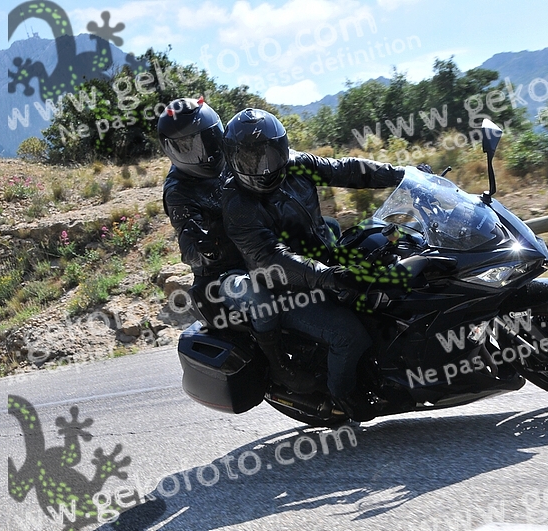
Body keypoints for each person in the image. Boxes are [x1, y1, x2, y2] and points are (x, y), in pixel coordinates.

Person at [221, 107, 406, 420]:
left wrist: (401, 175)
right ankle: (344, 395)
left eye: (269, 155)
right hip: (286, 290)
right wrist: (326, 277)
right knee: (349, 336)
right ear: (233, 159)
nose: (263, 167)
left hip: (324, 264)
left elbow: (346, 170)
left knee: (388, 271)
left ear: (282, 148)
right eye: (251, 159)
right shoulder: (237, 202)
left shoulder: (297, 164)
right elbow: (270, 257)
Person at [159, 98, 315, 393]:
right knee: (257, 295)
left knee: (325, 230)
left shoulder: (231, 158)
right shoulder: (178, 191)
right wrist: (205, 246)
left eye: (207, 140)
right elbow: (188, 246)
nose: (204, 153)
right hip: (223, 273)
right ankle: (280, 366)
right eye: (189, 147)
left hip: (258, 245)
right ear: (171, 151)